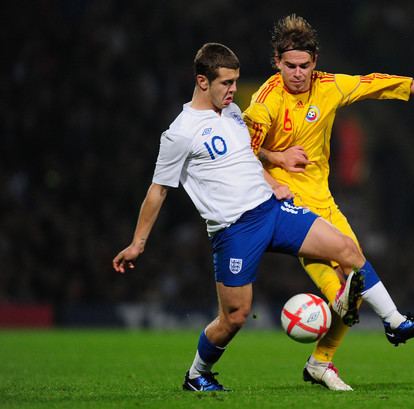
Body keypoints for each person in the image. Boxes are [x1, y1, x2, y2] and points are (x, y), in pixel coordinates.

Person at [243, 14, 414, 390]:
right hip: (287, 206)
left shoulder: (330, 87)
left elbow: (388, 85)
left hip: (323, 202)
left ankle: (321, 362)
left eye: (304, 66)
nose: (297, 73)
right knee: (345, 291)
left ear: (315, 64)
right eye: (289, 66)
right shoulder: (264, 101)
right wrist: (275, 167)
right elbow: (241, 153)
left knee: (354, 295)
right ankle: (394, 322)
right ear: (276, 62)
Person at [112, 42, 377, 392]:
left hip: (271, 211)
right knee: (235, 316)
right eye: (226, 83)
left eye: (236, 81)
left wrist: (275, 163)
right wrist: (137, 243)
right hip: (232, 231)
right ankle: (196, 374)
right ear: (203, 82)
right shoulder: (180, 133)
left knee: (347, 249)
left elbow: (249, 155)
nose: (234, 90)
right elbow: (158, 190)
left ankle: (348, 310)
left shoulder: (235, 113)